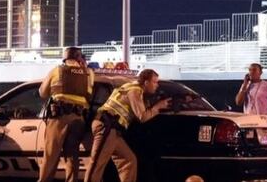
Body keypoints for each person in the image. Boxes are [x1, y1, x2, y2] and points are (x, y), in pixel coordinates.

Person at [84, 69, 171, 182]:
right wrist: (157, 107)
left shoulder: (131, 87)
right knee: (97, 164)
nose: (157, 85)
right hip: (107, 126)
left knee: (129, 160)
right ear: (146, 82)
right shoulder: (135, 90)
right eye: (154, 82)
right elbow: (142, 117)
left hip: (113, 130)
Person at [37, 46, 95, 182]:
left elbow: (42, 93)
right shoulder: (89, 73)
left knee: (51, 155)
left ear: (65, 57)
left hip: (59, 118)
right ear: (79, 58)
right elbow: (89, 94)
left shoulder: (57, 70)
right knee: (72, 155)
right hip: (78, 119)